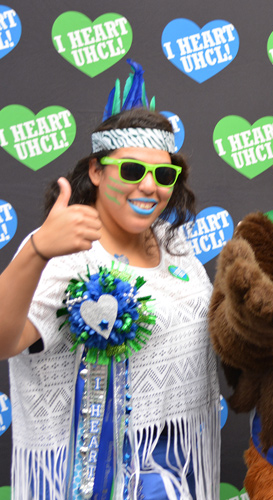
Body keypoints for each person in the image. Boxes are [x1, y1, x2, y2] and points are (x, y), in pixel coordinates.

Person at [0, 64, 220, 499]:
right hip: (101, 480)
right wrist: (37, 250)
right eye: (132, 171)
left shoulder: (174, 243)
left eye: (163, 174)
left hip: (180, 465)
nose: (149, 186)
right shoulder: (66, 253)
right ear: (97, 172)